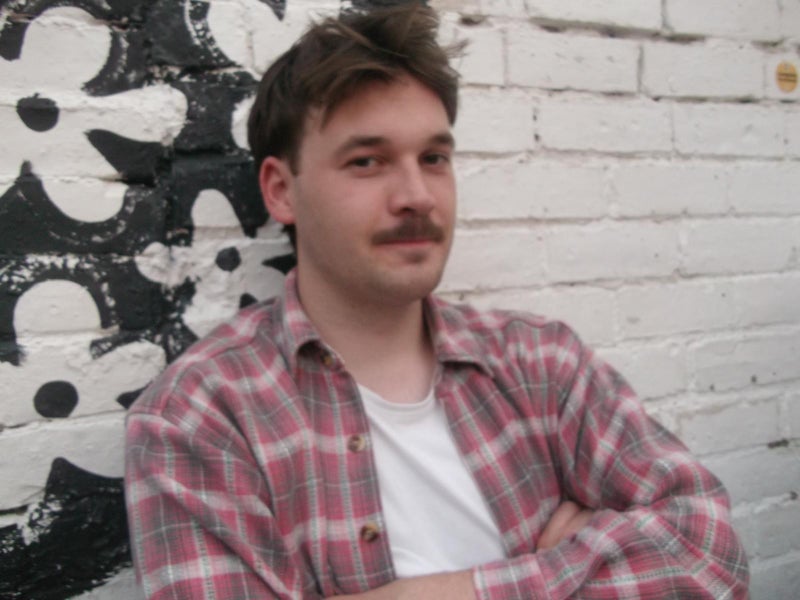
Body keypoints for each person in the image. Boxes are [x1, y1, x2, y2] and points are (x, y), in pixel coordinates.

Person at [125, 4, 749, 599]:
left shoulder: (542, 364)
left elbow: (711, 559)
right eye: (367, 161)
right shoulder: (199, 418)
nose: (418, 195)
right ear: (281, 191)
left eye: (433, 158)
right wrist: (563, 573)